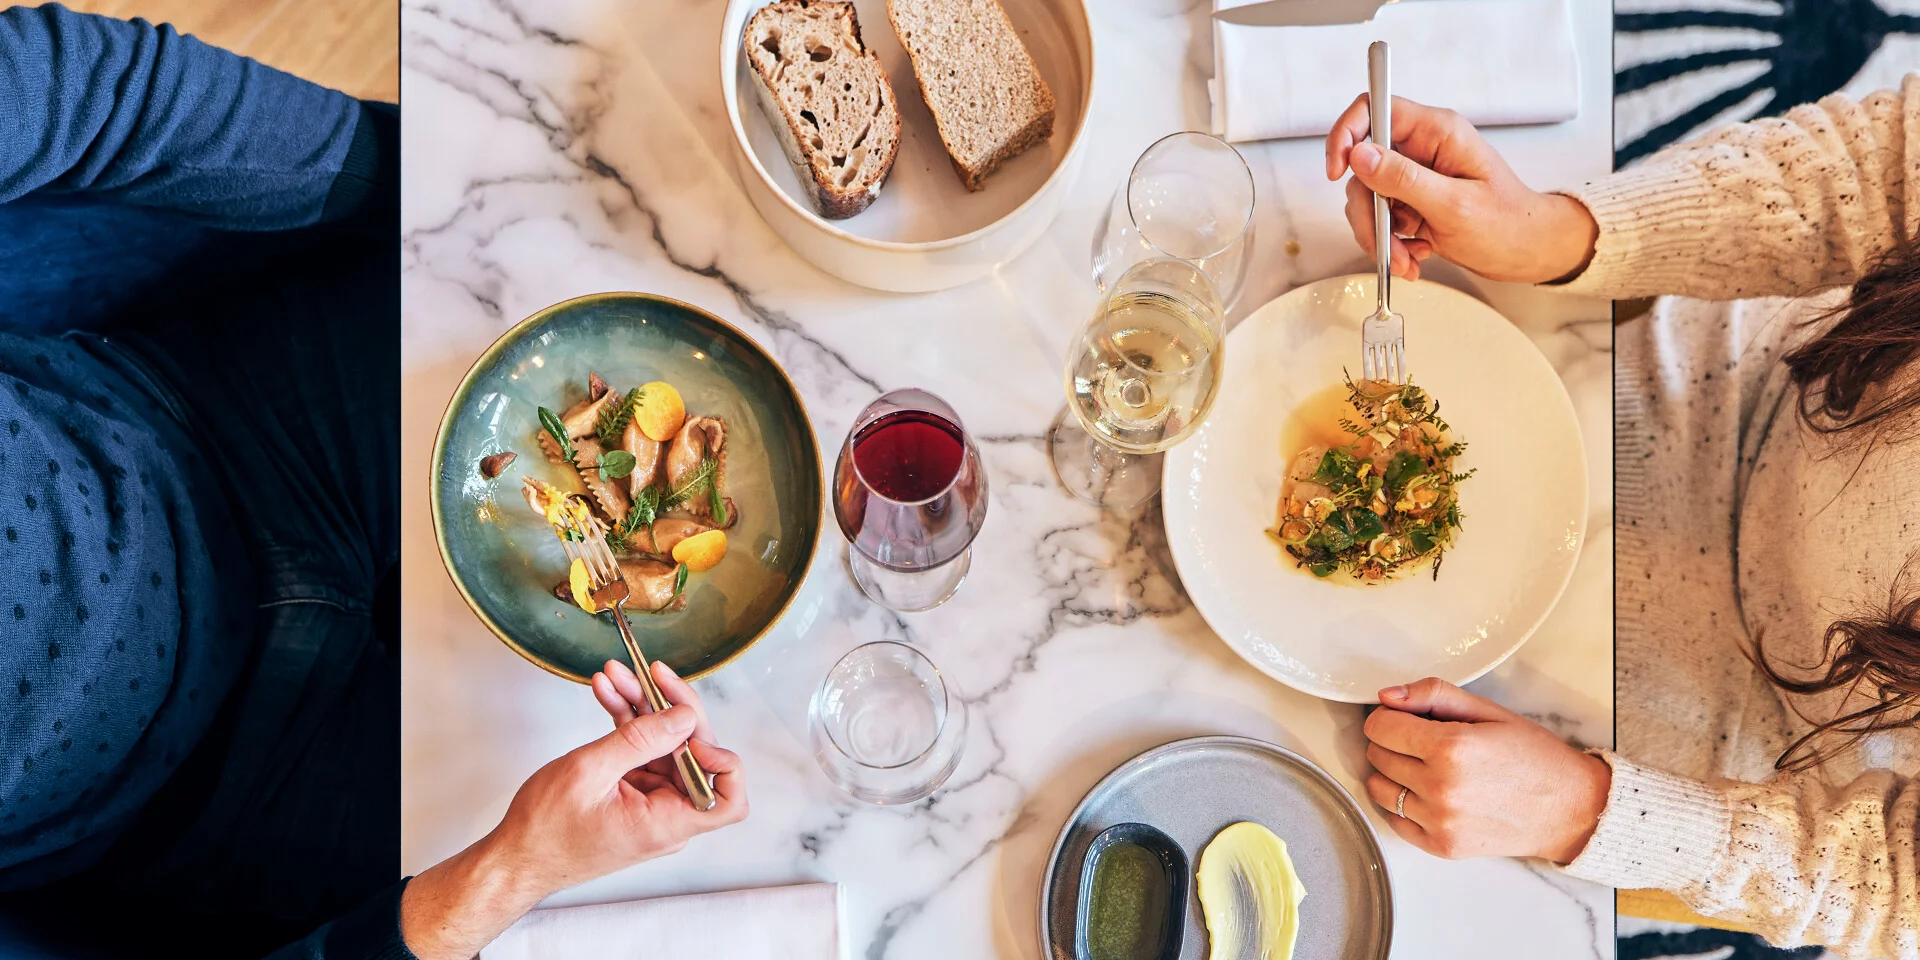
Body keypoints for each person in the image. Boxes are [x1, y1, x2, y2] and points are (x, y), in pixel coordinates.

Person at [0, 7, 746, 958]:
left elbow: (88, 90)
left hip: (222, 418)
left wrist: (405, 175)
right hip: (229, 782)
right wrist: (510, 873)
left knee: (606, 247)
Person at [1325, 76, 1920, 957]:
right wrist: (1549, 232)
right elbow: (1876, 174)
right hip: (1733, 351)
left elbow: (1892, 888)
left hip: (1722, 731)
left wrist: (1581, 812)